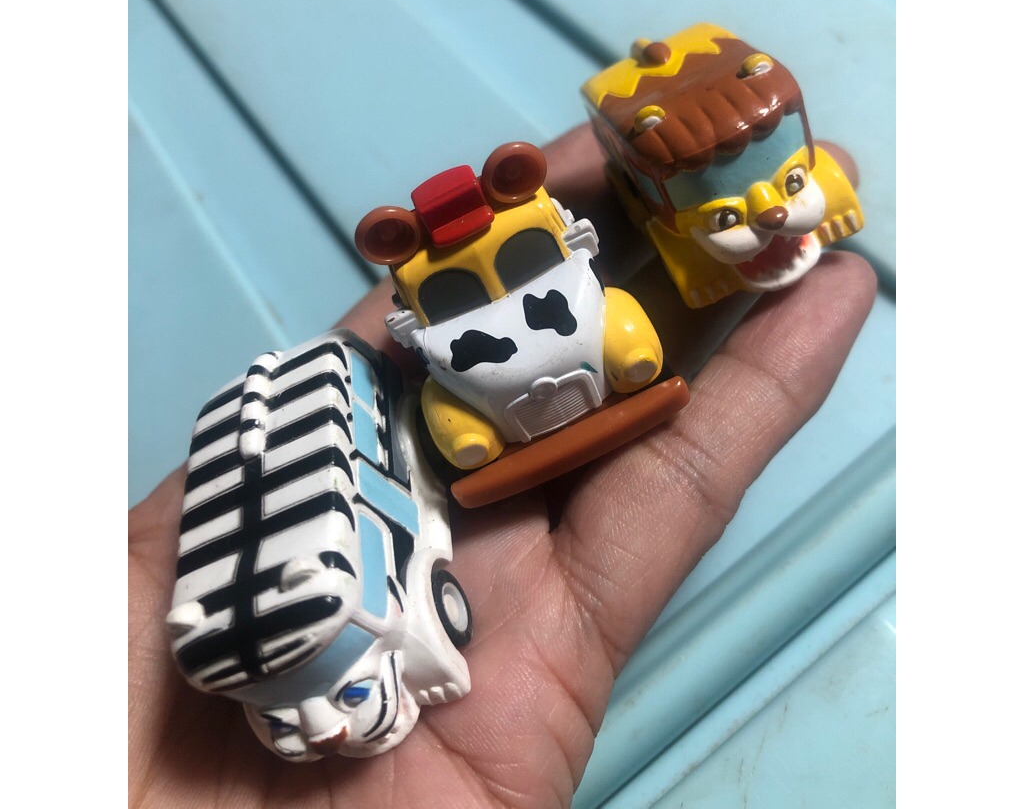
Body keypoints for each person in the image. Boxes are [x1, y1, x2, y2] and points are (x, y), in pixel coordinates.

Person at [128, 127, 875, 808]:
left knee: (626, 330)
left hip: (588, 375)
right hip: (487, 425)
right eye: (447, 296)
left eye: (527, 256)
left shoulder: (565, 265)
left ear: (572, 241)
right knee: (448, 419)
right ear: (412, 321)